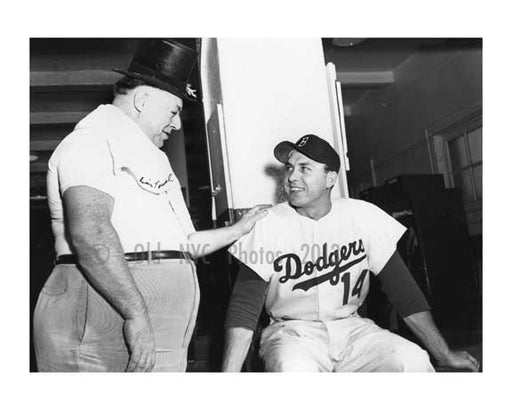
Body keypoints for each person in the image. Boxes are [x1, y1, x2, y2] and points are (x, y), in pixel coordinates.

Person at [33, 39, 267, 372]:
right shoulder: (91, 139)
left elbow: (186, 246)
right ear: (142, 100)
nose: (177, 124)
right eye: (173, 111)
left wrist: (239, 229)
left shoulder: (152, 159)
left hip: (151, 322)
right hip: (108, 312)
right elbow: (92, 234)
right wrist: (136, 315)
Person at [222, 134, 480, 372]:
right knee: (292, 370)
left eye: (304, 168)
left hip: (353, 329)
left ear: (330, 179)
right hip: (292, 333)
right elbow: (243, 309)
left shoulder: (361, 215)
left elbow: (405, 294)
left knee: (411, 361)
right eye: (290, 168)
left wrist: (444, 353)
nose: (291, 177)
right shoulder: (268, 224)